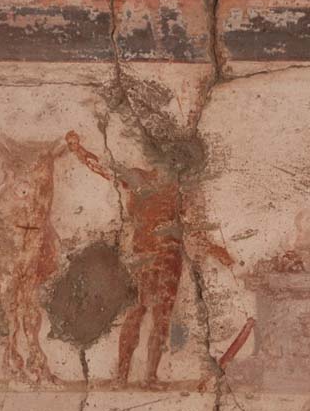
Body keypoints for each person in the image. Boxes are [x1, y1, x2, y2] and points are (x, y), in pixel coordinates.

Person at [65, 130, 235, 389]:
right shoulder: (138, 179)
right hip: (143, 258)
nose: (172, 163)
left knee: (161, 319)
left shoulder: (180, 191)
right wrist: (79, 151)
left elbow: (191, 228)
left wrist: (216, 251)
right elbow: (105, 168)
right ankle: (122, 375)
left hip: (170, 260)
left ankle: (151, 377)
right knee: (136, 313)